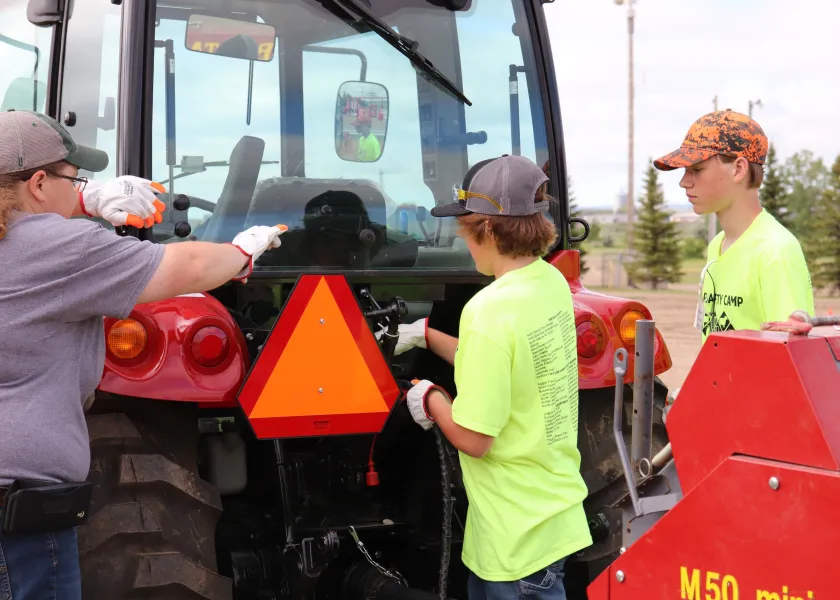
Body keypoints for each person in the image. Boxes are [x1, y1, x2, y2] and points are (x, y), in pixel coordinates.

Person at [0, 109, 286, 599]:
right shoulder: (54, 247)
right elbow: (190, 264)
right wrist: (244, 250)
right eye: (77, 179)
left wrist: (87, 199)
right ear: (41, 183)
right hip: (22, 519)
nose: (81, 190)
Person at [393, 155, 592, 599]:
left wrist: (429, 399)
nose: (464, 242)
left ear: (484, 230)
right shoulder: (549, 283)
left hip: (515, 540)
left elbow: (474, 438)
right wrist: (428, 336)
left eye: (465, 231)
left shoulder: (488, 310)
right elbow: (506, 363)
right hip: (548, 516)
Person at [653, 109, 814, 343]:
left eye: (696, 169)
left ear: (738, 169)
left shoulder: (775, 252)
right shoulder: (717, 246)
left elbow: (793, 356)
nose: (684, 181)